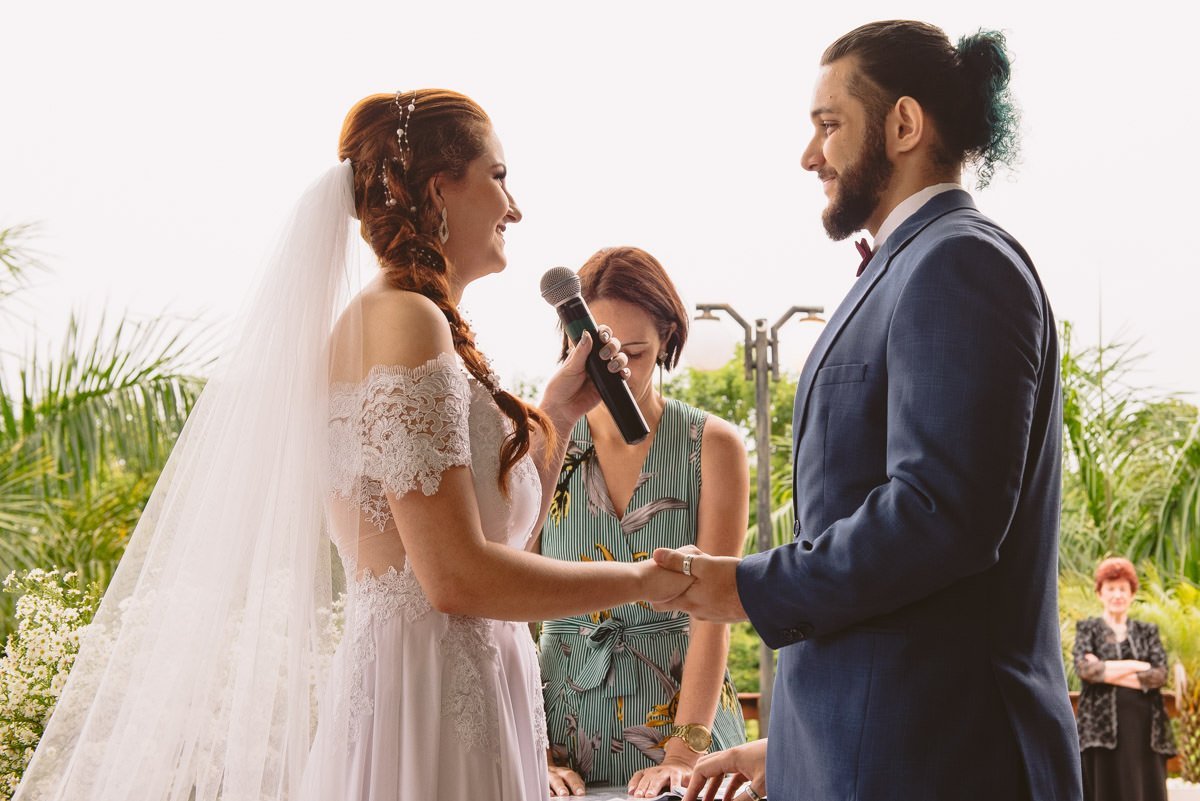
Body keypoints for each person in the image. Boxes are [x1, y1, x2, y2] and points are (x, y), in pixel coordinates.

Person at [14, 90, 692, 801]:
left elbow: (493, 539)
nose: (514, 206)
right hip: (427, 703)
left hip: (461, 687)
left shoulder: (417, 323)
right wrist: (646, 580)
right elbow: (454, 577)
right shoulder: (403, 323)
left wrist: (557, 409)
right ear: (440, 188)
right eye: (497, 176)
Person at [652, 21, 1083, 801]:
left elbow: (940, 516)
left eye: (828, 125)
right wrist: (789, 748)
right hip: (878, 754)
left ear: (904, 125)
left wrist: (745, 587)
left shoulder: (959, 261)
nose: (810, 155)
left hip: (941, 767)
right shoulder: (914, 264)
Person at [536, 247, 748, 798]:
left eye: (637, 351)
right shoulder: (543, 438)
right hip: (561, 724)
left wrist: (681, 754)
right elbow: (509, 606)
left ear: (668, 340)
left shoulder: (714, 446)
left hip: (687, 719)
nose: (619, 370)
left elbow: (714, 613)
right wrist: (531, 746)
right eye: (606, 351)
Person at [1074, 557, 1176, 801]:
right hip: (1098, 729)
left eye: (1123, 589)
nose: (1117, 595)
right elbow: (1086, 671)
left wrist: (1106, 671)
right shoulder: (1088, 629)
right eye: (1111, 589)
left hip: (1144, 731)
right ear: (1100, 593)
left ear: (1132, 594)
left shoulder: (1147, 631)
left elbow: (1159, 674)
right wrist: (1136, 666)